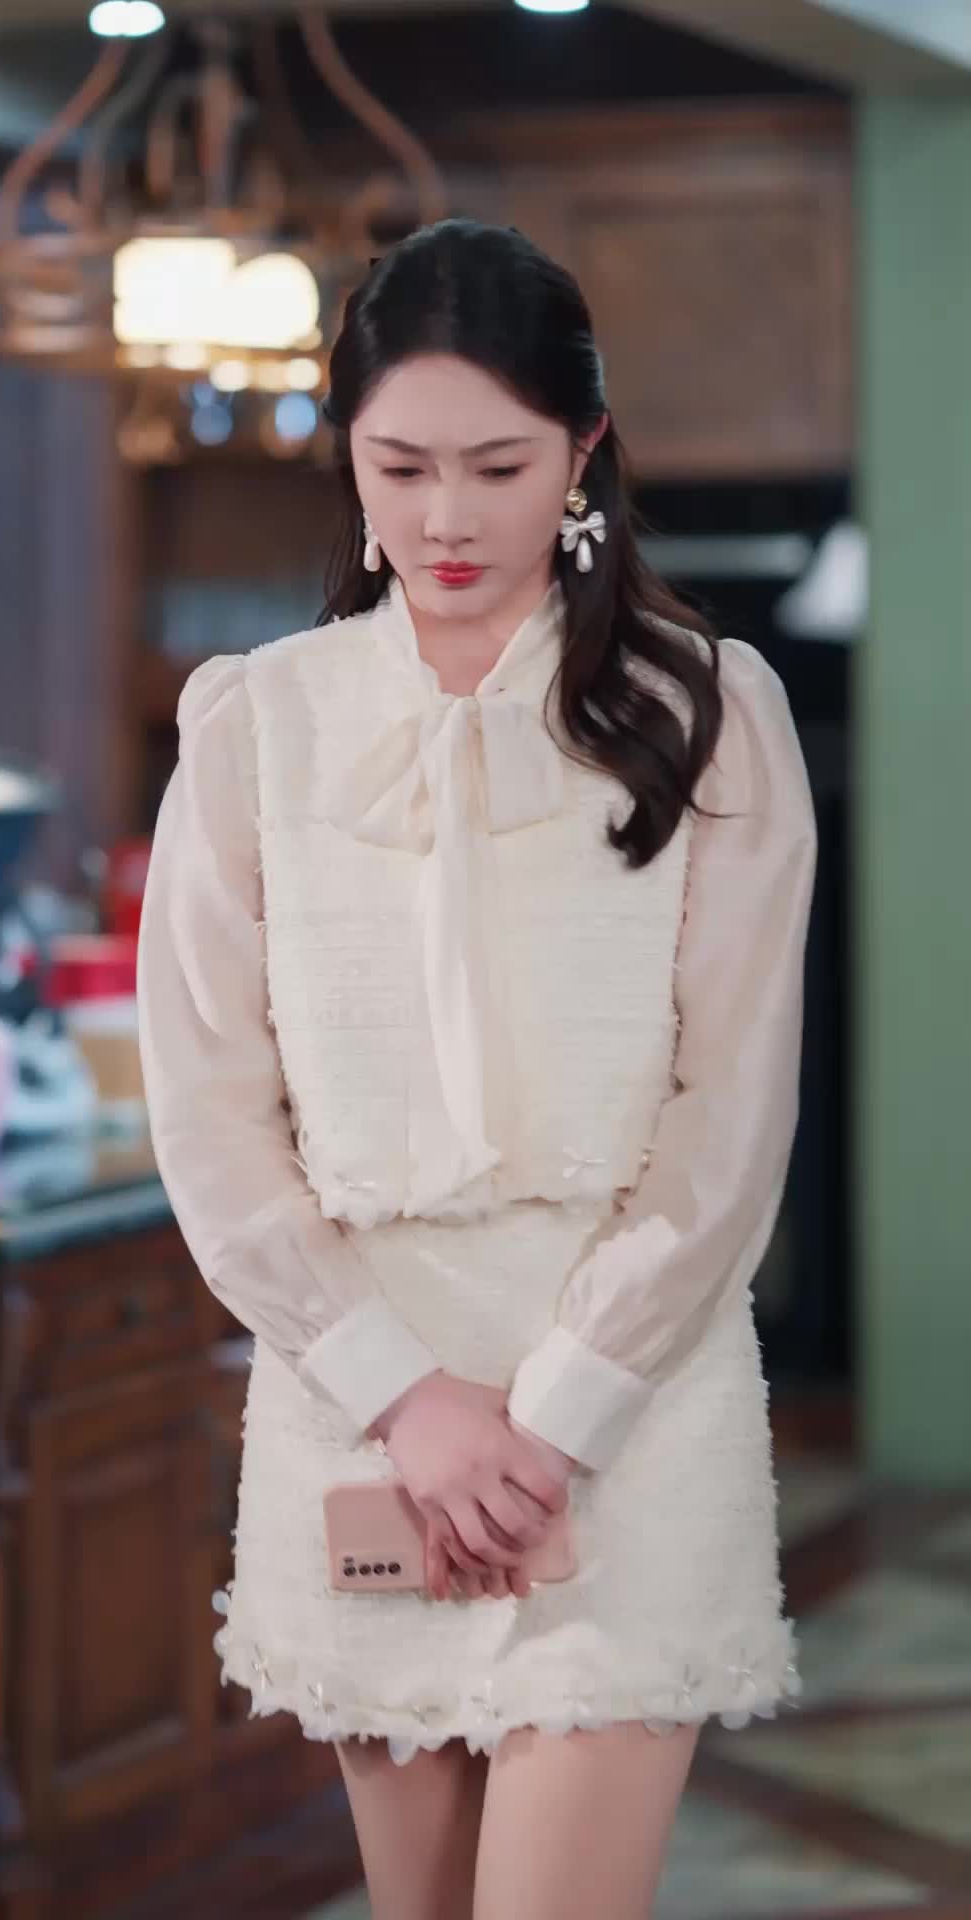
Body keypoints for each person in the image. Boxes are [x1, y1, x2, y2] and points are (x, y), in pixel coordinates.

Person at [136, 218, 817, 1920]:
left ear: (583, 451)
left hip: (632, 1402)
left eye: (498, 467)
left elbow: (730, 1118)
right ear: (349, 456)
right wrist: (404, 1399)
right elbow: (210, 1113)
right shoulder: (256, 724)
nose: (444, 518)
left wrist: (560, 1412)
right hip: (362, 1404)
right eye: (401, 467)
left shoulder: (707, 710)